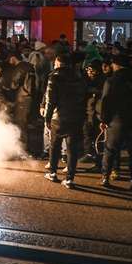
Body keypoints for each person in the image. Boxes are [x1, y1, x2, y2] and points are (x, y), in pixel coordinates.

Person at [41, 54, 87, 189]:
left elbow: (50, 100)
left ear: (58, 63)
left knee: (55, 145)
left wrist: (47, 118)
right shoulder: (79, 77)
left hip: (59, 117)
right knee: (72, 149)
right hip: (76, 116)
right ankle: (69, 179)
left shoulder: (54, 77)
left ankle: (53, 172)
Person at [100, 55, 132, 190]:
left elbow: (105, 102)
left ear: (116, 65)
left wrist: (104, 120)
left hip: (116, 120)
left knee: (110, 150)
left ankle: (105, 178)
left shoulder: (111, 81)